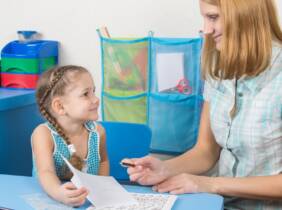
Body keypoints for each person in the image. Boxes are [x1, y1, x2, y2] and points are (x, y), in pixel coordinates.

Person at [124, 0, 282, 209]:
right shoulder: (218, 65)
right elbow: (206, 151)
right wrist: (165, 168)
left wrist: (210, 184)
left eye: (213, 17)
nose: (206, 30)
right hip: (220, 205)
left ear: (245, 14)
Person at [31, 65, 109, 207]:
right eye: (86, 94)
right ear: (60, 106)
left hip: (87, 203)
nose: (96, 99)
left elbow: (103, 162)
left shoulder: (98, 133)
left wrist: (100, 189)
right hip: (49, 201)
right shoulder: (43, 134)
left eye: (94, 92)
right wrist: (58, 192)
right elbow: (45, 171)